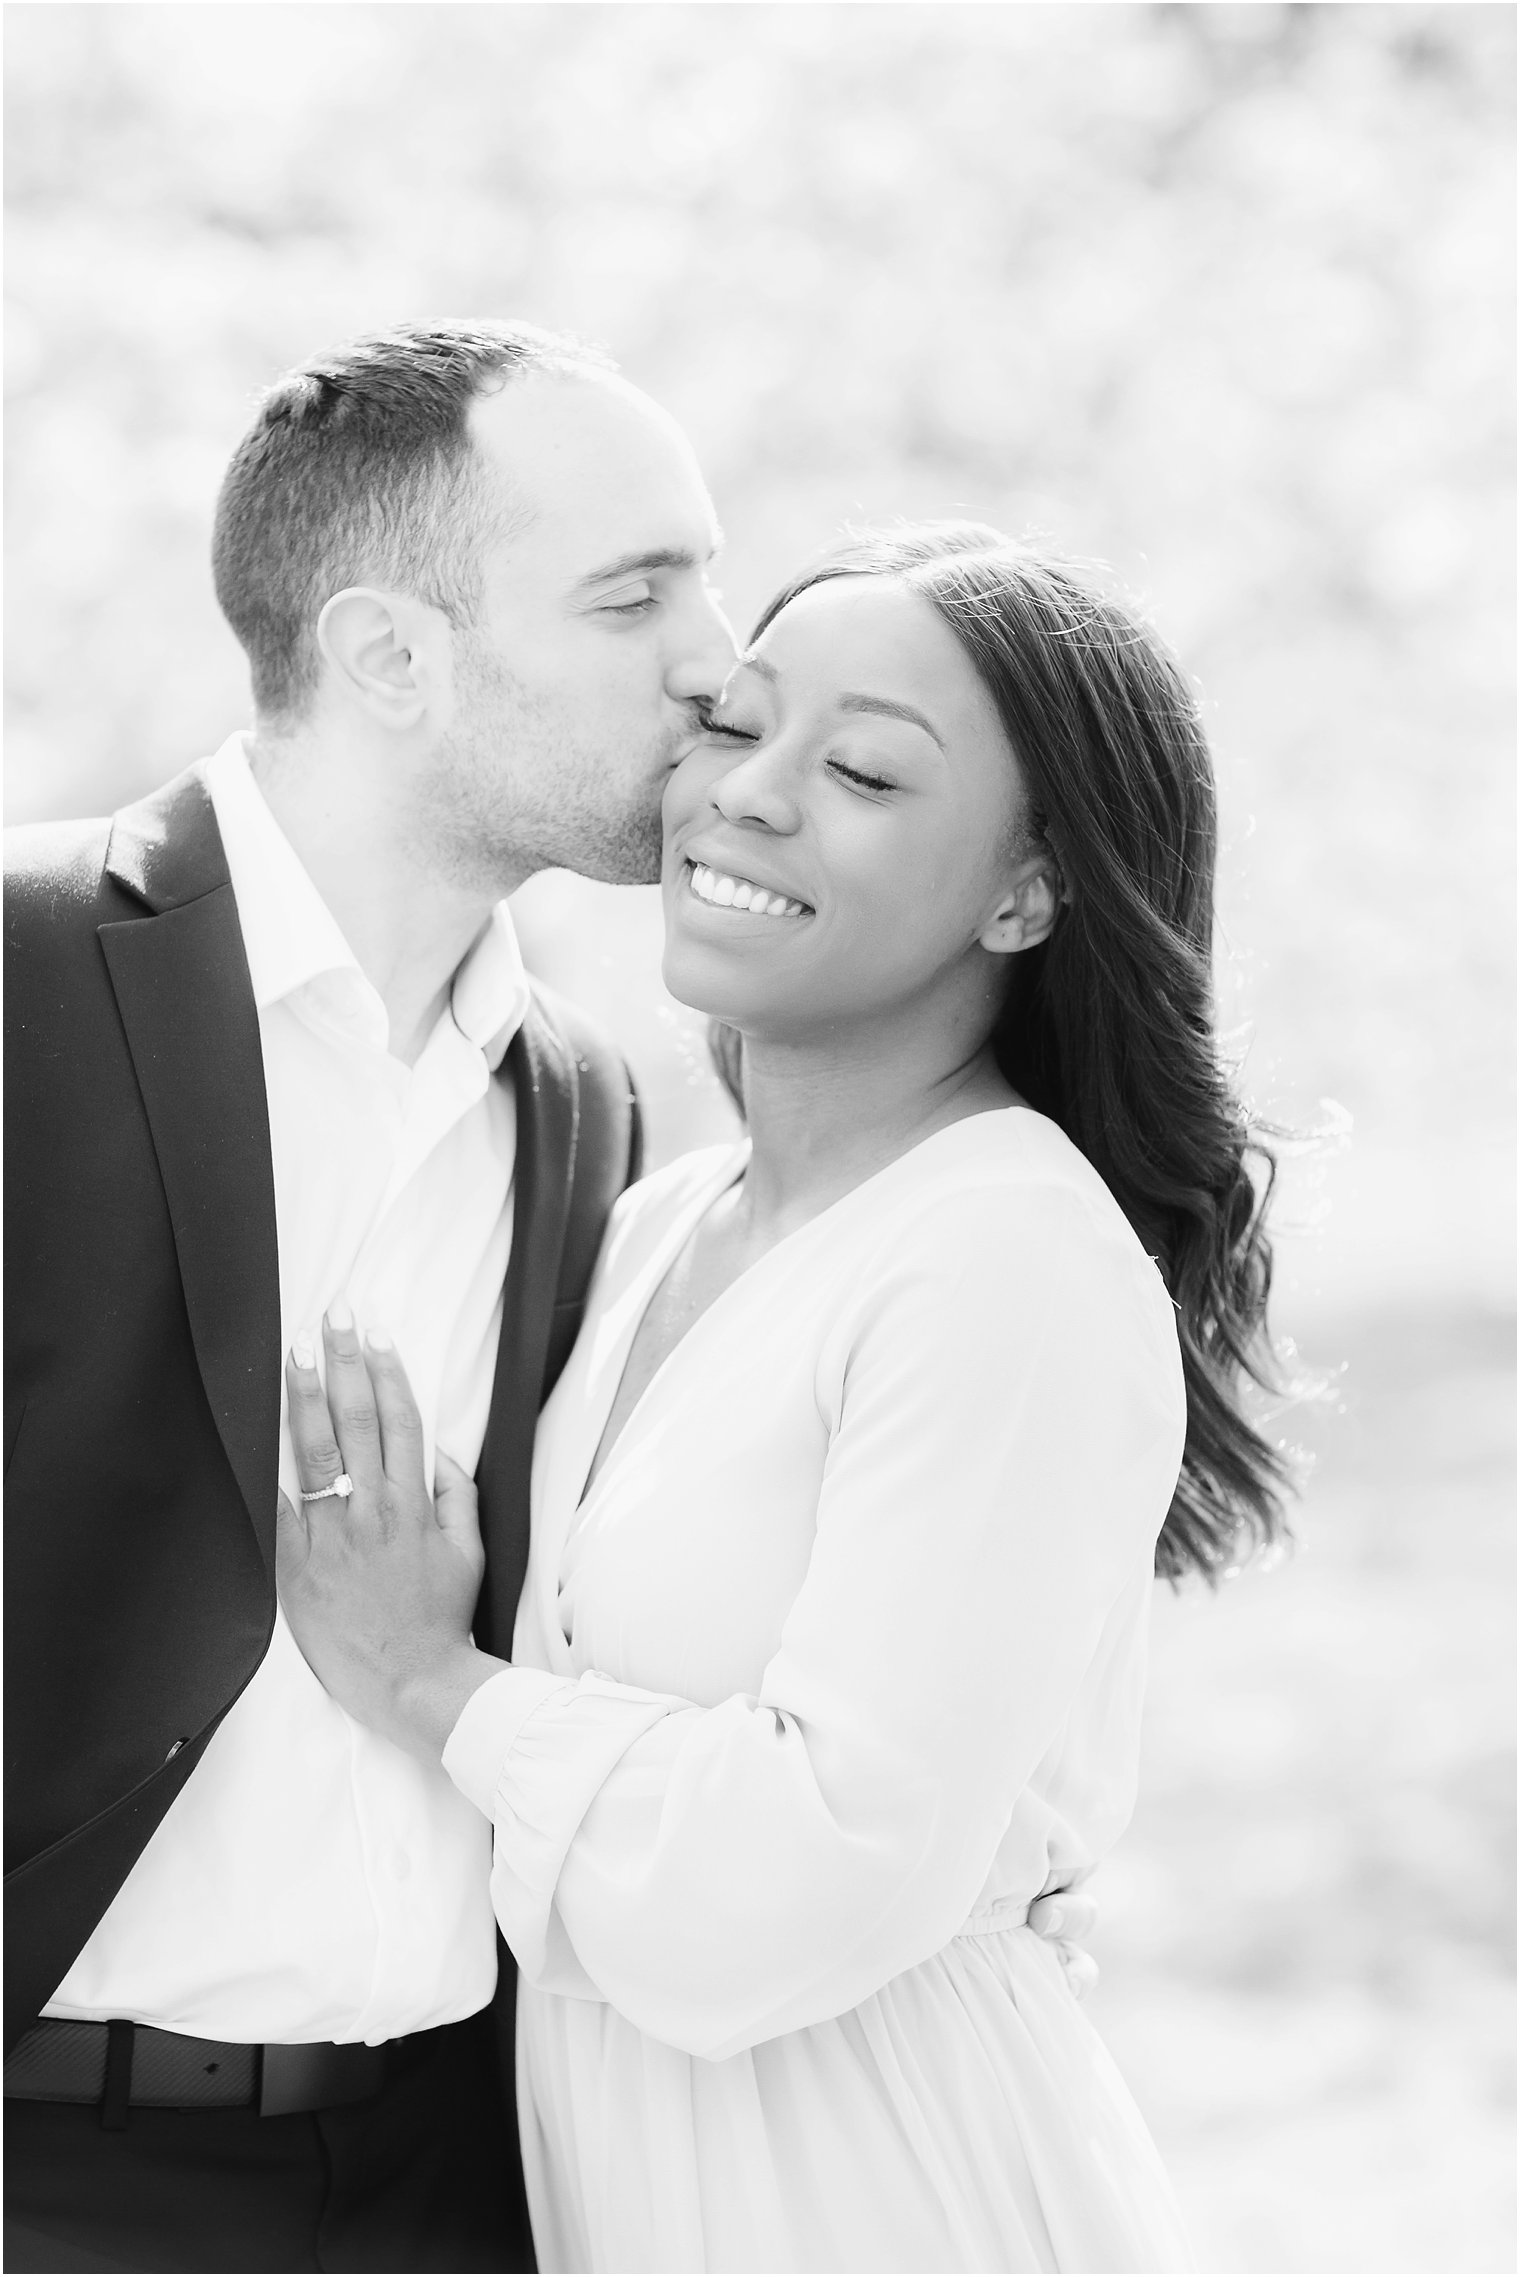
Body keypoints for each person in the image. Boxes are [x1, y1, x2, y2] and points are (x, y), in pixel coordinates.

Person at [3, 326, 1089, 2274]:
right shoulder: (19, 973)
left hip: (470, 2177)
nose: (717, 655)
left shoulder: (581, 1098)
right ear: (390, 656)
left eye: (708, 571)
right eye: (632, 591)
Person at [277, 523, 1294, 2272]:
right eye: (736, 724)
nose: (747, 795)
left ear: (1027, 892)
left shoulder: (1003, 1255)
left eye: (868, 770)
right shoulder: (666, 1216)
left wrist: (437, 1683)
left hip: (877, 2190)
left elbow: (805, 1876)